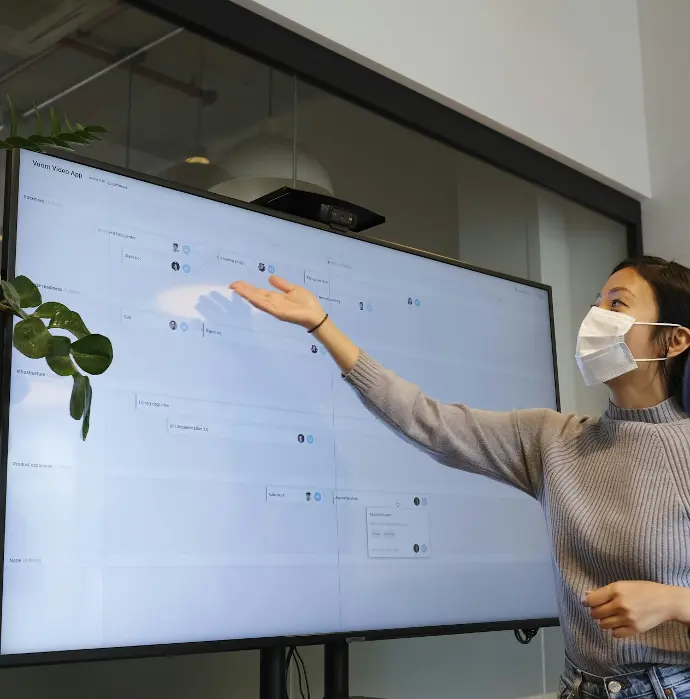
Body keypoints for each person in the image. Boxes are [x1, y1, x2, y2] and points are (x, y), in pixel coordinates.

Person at [230, 255, 690, 697]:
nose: (595, 316)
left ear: (674, 340)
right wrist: (322, 326)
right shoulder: (553, 439)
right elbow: (426, 420)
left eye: (617, 304)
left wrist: (672, 603)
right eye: (596, 302)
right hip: (579, 685)